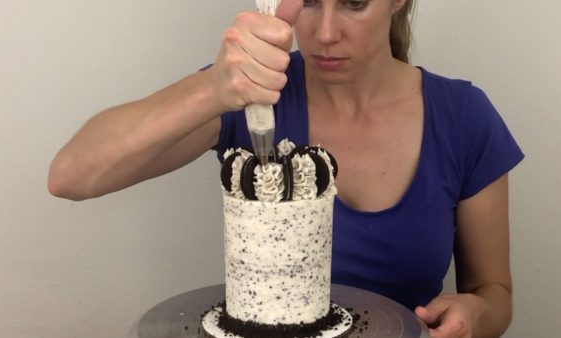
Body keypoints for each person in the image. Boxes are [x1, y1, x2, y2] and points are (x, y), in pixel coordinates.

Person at [48, 0, 524, 337]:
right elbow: (71, 175)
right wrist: (212, 88)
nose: (326, 32)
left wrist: (476, 316)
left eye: (354, 3)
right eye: (310, 1)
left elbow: (493, 291)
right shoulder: (252, 94)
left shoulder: (464, 117)